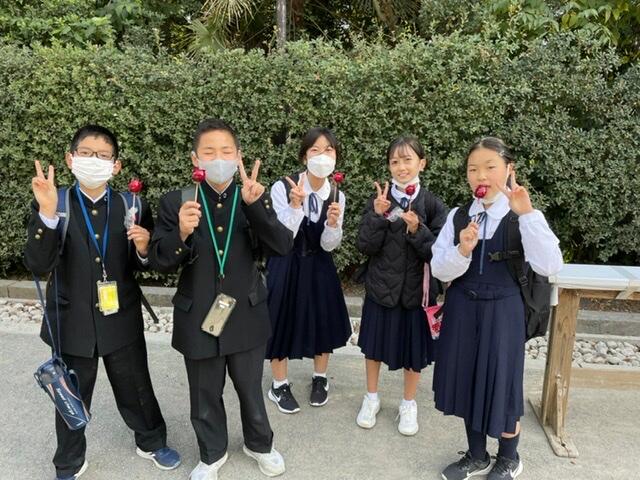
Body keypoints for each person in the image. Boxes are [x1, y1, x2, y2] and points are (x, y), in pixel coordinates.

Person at [24, 124, 180, 480]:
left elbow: (144, 262)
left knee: (136, 385)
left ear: (116, 165)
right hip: (71, 318)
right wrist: (46, 215)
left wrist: (144, 249)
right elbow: (37, 263)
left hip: (121, 315)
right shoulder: (55, 201)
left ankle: (151, 441)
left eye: (103, 155)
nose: (94, 160)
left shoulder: (132, 204)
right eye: (86, 153)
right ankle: (69, 461)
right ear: (71, 159)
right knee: (70, 394)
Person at [148, 118, 293, 480]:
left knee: (250, 389)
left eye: (226, 151)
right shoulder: (177, 201)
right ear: (194, 159)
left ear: (238, 156)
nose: (218, 159)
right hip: (198, 314)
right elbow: (160, 262)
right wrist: (181, 233)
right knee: (204, 393)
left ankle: (259, 444)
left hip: (246, 312)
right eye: (209, 152)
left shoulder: (252, 197)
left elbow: (282, 246)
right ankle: (212, 453)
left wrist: (257, 209)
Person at [431, 136, 563, 480]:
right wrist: (463, 250)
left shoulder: (522, 215)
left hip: (504, 310)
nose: (481, 176)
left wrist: (527, 214)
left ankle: (509, 457)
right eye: (473, 169)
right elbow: (439, 270)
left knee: (503, 384)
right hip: (462, 308)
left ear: (509, 169)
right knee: (466, 379)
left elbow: (550, 264)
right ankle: (477, 455)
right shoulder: (460, 216)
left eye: (490, 167)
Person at [355, 136, 448, 436]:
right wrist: (377, 215)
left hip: (416, 293)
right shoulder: (380, 200)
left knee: (414, 352)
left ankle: (408, 404)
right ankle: (371, 398)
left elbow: (439, 254)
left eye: (408, 160)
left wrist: (417, 229)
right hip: (381, 287)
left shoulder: (432, 204)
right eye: (395, 161)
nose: (401, 167)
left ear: (422, 163)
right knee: (373, 348)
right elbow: (364, 246)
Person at [265, 127, 351, 413]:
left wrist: (333, 225)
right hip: (286, 262)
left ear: (335, 157)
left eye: (329, 150)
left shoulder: (337, 195)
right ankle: (279, 384)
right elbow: (282, 237)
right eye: (315, 150)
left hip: (319, 264)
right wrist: (294, 205)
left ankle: (320, 378)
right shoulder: (283, 186)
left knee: (322, 320)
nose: (322, 156)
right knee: (280, 320)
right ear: (304, 156)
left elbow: (329, 245)